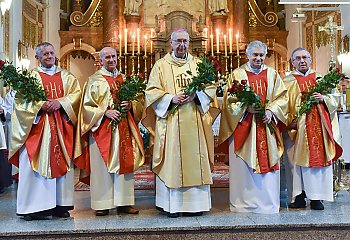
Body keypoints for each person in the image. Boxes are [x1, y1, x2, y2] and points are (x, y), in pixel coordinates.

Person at [142, 29, 219, 218]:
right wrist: (170, 99)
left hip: (195, 121)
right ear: (171, 42)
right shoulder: (161, 66)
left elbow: (210, 88)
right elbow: (151, 91)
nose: (182, 45)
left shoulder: (199, 65)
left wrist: (196, 95)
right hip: (171, 122)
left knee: (196, 158)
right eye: (178, 41)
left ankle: (196, 205)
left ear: (189, 43)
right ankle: (171, 205)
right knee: (172, 160)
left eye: (185, 41)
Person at [8, 42, 81, 220]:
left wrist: (60, 102)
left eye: (51, 53)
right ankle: (34, 207)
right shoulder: (30, 78)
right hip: (37, 129)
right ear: (38, 58)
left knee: (61, 162)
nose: (49, 56)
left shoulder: (67, 77)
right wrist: (40, 105)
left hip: (61, 128)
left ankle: (60, 205)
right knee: (31, 164)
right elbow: (20, 102)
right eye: (44, 54)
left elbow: (76, 95)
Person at [218, 40, 288, 214]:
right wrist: (245, 108)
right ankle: (242, 203)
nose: (258, 58)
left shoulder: (272, 74)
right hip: (244, 126)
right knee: (243, 168)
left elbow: (283, 98)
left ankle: (268, 203)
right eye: (254, 55)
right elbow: (228, 101)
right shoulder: (237, 74)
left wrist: (271, 111)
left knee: (267, 166)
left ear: (265, 56)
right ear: (247, 55)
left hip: (266, 125)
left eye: (261, 55)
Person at [74, 47, 144, 216]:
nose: (111, 60)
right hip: (101, 130)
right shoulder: (93, 80)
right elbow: (86, 107)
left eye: (113, 56)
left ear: (117, 58)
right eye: (107, 57)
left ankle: (124, 203)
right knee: (101, 168)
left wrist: (132, 106)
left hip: (123, 128)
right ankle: (102, 204)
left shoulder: (125, 80)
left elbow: (140, 101)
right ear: (101, 61)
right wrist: (105, 112)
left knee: (125, 164)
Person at [283, 48, 342, 210]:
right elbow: (281, 103)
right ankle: (298, 196)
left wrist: (324, 99)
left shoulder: (321, 79)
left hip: (318, 129)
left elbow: (336, 98)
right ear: (292, 62)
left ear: (310, 60)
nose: (302, 61)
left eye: (305, 57)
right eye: (298, 58)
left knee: (317, 164)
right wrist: (289, 121)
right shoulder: (286, 81)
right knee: (294, 163)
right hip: (296, 130)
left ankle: (317, 197)